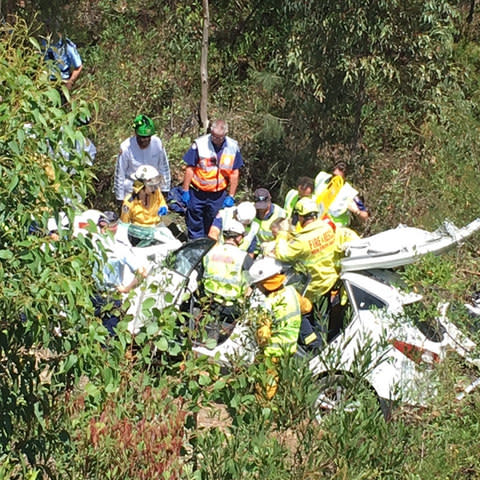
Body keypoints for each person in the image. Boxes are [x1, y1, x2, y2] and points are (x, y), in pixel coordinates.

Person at [247, 257, 318, 399]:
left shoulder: (268, 303)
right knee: (281, 379)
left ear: (265, 284)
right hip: (290, 348)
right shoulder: (292, 292)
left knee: (266, 384)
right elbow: (307, 307)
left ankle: (262, 406)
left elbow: (263, 334)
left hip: (271, 352)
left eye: (259, 285)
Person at [181, 119, 244, 239]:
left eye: (219, 137)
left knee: (214, 219)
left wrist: (231, 195)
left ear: (225, 134)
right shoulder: (200, 145)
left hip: (218, 194)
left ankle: (209, 244)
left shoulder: (232, 147)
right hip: (198, 191)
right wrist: (185, 190)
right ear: (211, 131)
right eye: (214, 136)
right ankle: (195, 243)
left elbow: (234, 173)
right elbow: (190, 168)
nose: (216, 139)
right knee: (194, 217)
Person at [91, 211, 148, 336]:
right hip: (93, 295)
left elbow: (142, 273)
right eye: (101, 226)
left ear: (115, 227)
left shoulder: (120, 248)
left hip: (111, 298)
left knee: (108, 337)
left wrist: (126, 289)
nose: (103, 230)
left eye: (106, 226)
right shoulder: (93, 244)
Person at [274, 197, 338, 303]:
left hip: (314, 288)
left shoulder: (302, 241)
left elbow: (282, 254)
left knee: (310, 316)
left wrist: (283, 232)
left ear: (300, 217)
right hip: (330, 280)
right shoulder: (327, 228)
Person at [202, 219, 253, 335]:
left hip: (209, 302)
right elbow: (251, 285)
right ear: (239, 238)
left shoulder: (210, 252)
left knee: (207, 336)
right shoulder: (243, 257)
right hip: (231, 307)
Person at [114, 114, 171, 203]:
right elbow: (120, 173)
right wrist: (119, 197)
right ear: (136, 134)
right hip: (132, 188)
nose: (144, 140)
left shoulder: (158, 144)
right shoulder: (126, 147)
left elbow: (163, 167)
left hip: (152, 188)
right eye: (141, 137)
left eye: (147, 137)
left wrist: (165, 189)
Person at [315, 162, 369, 227]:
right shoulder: (322, 178)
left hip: (335, 229)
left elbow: (365, 216)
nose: (335, 180)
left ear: (345, 178)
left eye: (339, 178)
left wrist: (356, 211)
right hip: (317, 224)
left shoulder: (349, 192)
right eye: (334, 176)